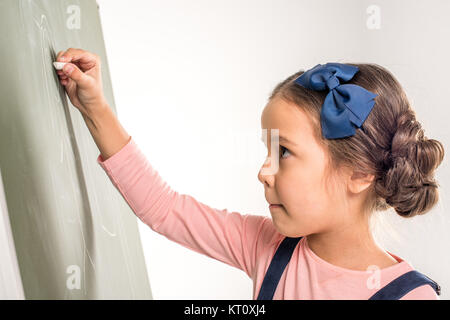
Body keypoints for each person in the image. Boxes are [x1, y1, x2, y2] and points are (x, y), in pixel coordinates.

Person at [55, 48, 444, 299]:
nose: (264, 171)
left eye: (284, 152)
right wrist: (95, 108)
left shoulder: (407, 297)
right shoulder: (269, 247)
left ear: (359, 173)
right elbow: (164, 208)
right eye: (267, 150)